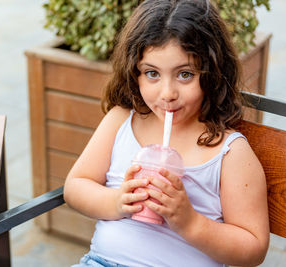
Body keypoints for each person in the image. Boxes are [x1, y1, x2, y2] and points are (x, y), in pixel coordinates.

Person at [65, 0, 269, 266]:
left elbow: (254, 249)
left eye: (185, 74)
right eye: (152, 73)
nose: (167, 93)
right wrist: (118, 201)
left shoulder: (228, 152)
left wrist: (190, 221)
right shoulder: (122, 120)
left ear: (213, 73)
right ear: (134, 73)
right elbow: (75, 186)